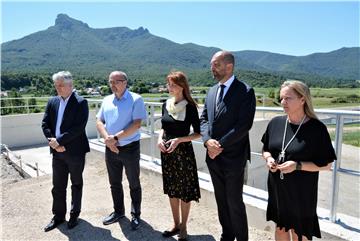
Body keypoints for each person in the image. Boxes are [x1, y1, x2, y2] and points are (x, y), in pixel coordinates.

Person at [261, 80, 336, 241]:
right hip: (278, 188)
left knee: (299, 233)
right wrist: (268, 159)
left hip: (302, 191)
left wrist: (298, 166)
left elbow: (327, 164)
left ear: (302, 99)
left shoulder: (317, 129)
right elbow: (266, 149)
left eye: (288, 98)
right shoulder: (276, 123)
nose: (283, 102)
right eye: (281, 98)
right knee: (280, 228)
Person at [200, 51, 256, 241]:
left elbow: (243, 125)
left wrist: (219, 145)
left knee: (234, 202)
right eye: (211, 65)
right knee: (221, 200)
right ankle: (227, 235)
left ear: (229, 67)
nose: (212, 69)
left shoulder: (245, 91)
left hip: (233, 156)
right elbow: (204, 120)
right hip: (212, 156)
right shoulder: (211, 91)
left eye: (215, 65)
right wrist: (207, 141)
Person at [96, 70, 147, 230]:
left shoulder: (136, 99)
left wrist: (115, 138)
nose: (112, 85)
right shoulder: (107, 100)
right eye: (110, 82)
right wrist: (107, 139)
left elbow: (137, 124)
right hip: (110, 148)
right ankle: (118, 212)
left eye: (116, 81)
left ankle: (136, 214)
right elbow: (99, 121)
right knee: (114, 183)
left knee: (134, 183)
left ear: (125, 82)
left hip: (129, 148)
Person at [42, 71, 90, 232]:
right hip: (57, 152)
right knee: (58, 186)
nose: (58, 88)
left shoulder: (81, 102)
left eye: (61, 85)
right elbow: (45, 124)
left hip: (75, 152)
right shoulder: (52, 101)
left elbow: (78, 128)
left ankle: (74, 214)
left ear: (70, 85)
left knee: (76, 184)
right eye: (56, 85)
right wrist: (53, 143)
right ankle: (58, 216)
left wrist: (59, 141)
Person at [157, 71, 201, 241]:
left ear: (183, 86)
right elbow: (163, 127)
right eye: (169, 84)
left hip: (183, 153)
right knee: (172, 190)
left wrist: (179, 140)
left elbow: (197, 133)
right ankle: (175, 224)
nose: (170, 87)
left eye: (174, 84)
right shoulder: (165, 104)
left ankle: (184, 227)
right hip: (167, 152)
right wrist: (160, 139)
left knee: (184, 191)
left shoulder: (190, 107)